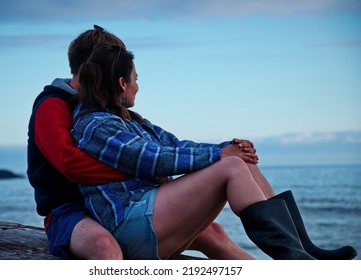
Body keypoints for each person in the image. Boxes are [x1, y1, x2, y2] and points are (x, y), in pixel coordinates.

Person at [71, 45, 357, 260]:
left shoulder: (130, 120)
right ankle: (294, 261)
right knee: (231, 166)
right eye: (135, 78)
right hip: (127, 227)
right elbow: (151, 160)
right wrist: (223, 157)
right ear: (122, 83)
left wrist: (229, 148)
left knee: (238, 160)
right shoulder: (95, 125)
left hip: (147, 214)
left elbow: (176, 146)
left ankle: (304, 250)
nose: (137, 86)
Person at [27, 25, 254, 260]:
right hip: (68, 211)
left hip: (108, 199)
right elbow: (69, 163)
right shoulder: (53, 104)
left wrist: (224, 148)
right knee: (105, 247)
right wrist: (139, 170)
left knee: (214, 234)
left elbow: (163, 145)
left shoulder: (108, 107)